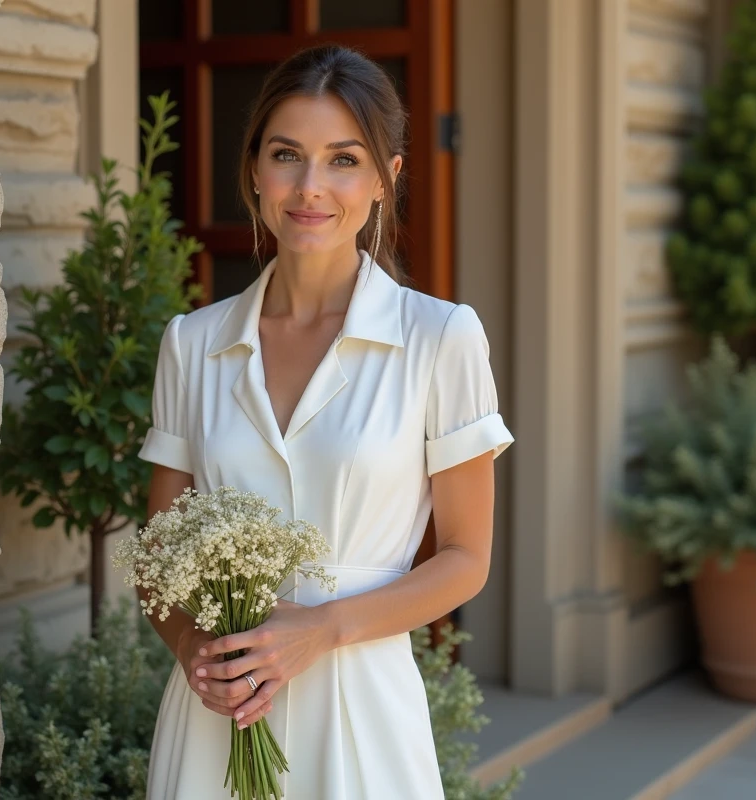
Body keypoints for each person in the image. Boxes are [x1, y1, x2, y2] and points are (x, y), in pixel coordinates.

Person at [136, 44, 514, 799]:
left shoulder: (440, 338)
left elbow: (466, 557)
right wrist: (194, 653)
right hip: (220, 719)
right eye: (288, 156)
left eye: (344, 160)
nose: (311, 188)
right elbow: (156, 558)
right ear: (254, 170)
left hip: (361, 713)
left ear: (386, 179)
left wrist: (323, 629)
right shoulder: (192, 343)